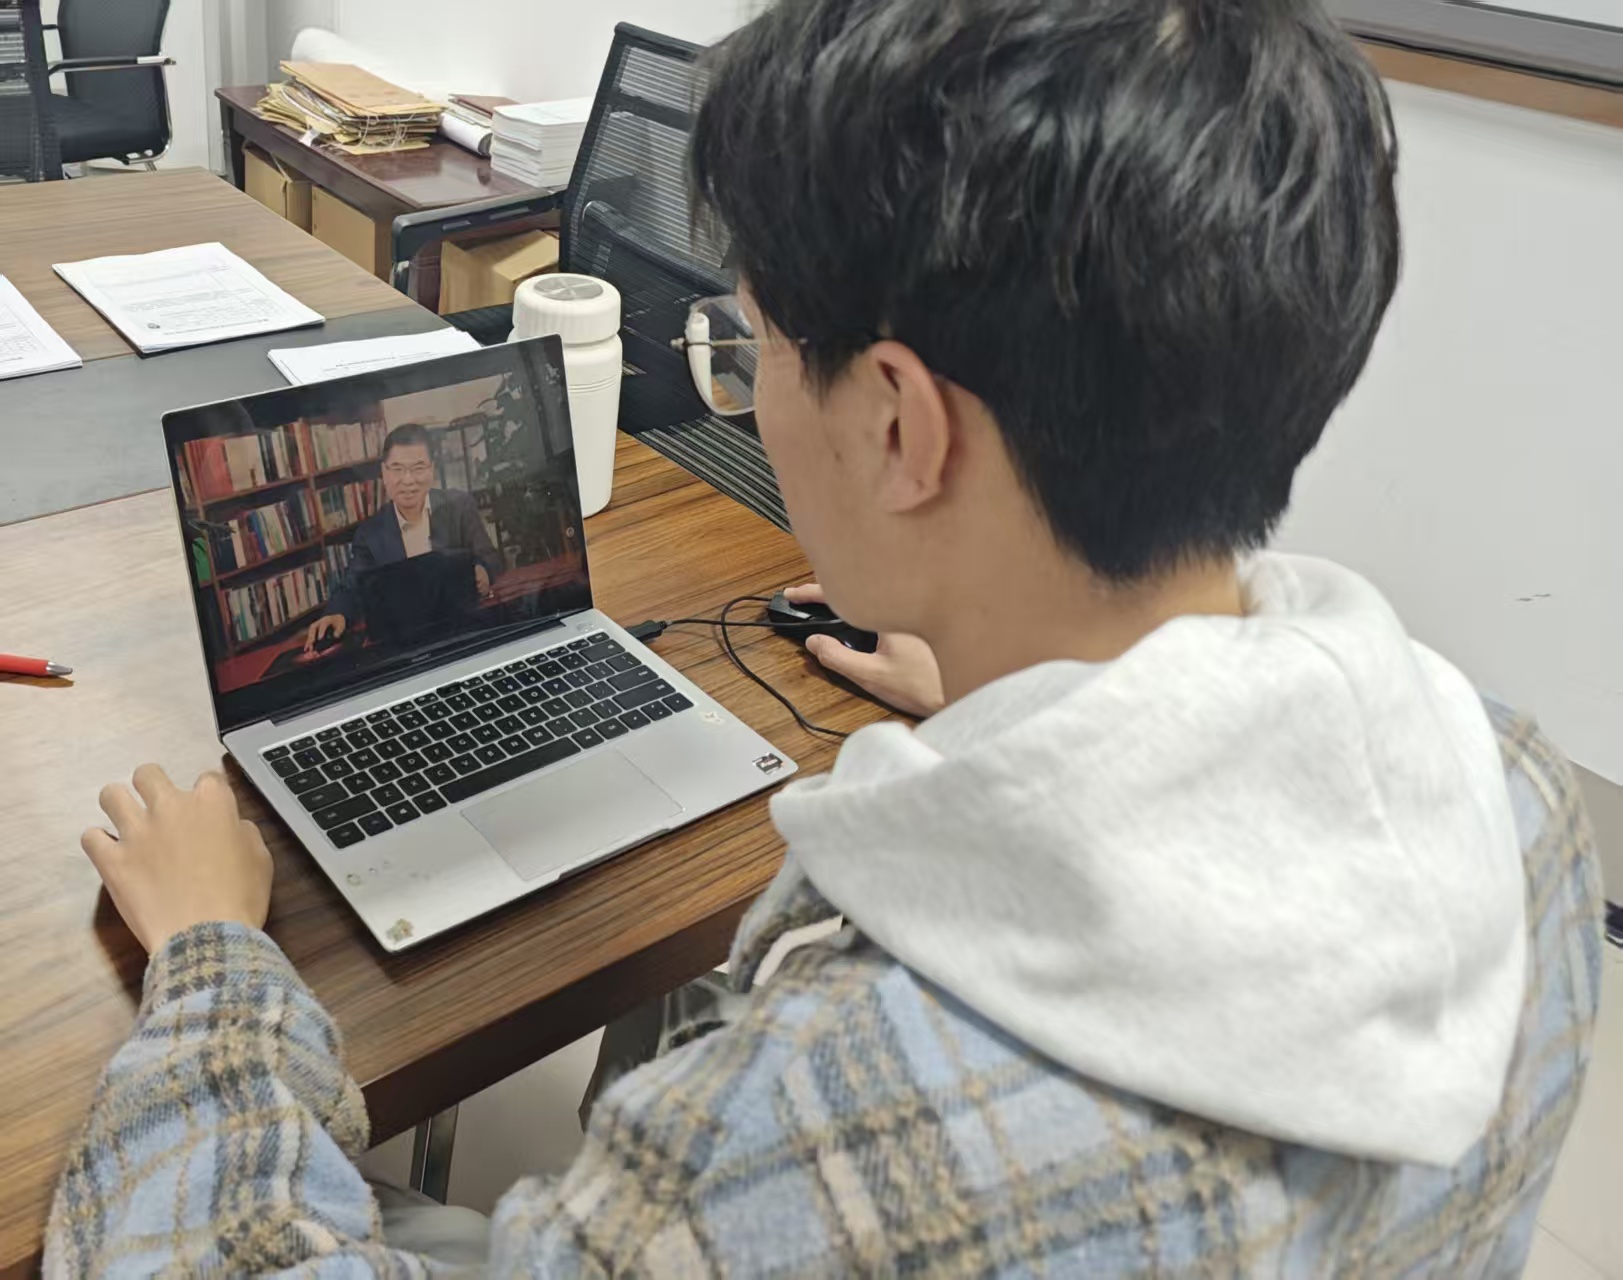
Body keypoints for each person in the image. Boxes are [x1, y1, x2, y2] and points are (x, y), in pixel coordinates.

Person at [51, 0, 1603, 1275]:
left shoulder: (796, 1143)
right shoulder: (1516, 802)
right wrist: (1000, 688)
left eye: (749, 346)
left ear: (898, 423)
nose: (746, 390)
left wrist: (210, 958)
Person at [304, 422, 503, 653]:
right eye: (397, 469)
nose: (408, 480)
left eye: (418, 468)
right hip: (407, 645)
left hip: (464, 632)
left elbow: (490, 556)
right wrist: (336, 613)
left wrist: (483, 571)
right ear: (384, 473)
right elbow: (352, 586)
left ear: (431, 470)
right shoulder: (370, 533)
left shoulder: (459, 506)